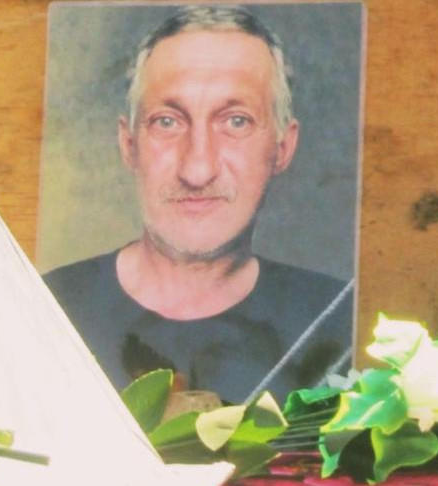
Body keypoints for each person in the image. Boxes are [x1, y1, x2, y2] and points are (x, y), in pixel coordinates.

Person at [44, 5, 353, 404]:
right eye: (167, 121)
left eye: (236, 121)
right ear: (129, 144)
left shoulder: (342, 317)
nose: (197, 169)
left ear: (282, 147)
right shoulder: (44, 305)